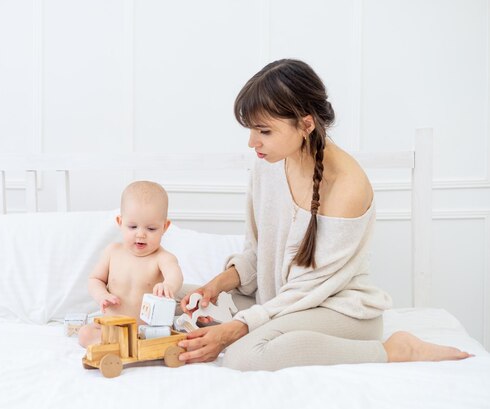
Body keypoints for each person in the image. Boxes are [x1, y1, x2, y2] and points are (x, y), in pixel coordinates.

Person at [177, 58, 472, 370]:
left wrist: (236, 329)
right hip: (281, 304)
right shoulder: (269, 162)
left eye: (263, 130)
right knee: (170, 298)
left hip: (337, 312)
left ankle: (395, 349)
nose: (253, 143)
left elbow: (307, 290)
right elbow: (258, 253)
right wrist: (218, 284)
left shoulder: (347, 187)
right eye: (251, 130)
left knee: (243, 356)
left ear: (306, 124)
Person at [78, 181, 184, 348]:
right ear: (120, 222)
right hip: (112, 327)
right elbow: (94, 279)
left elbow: (175, 275)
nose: (140, 234)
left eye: (151, 229)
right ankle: (118, 344)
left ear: (165, 227)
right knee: (84, 334)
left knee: (165, 340)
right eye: (133, 226)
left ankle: (128, 346)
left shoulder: (162, 258)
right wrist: (101, 296)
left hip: (146, 331)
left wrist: (168, 285)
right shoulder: (112, 252)